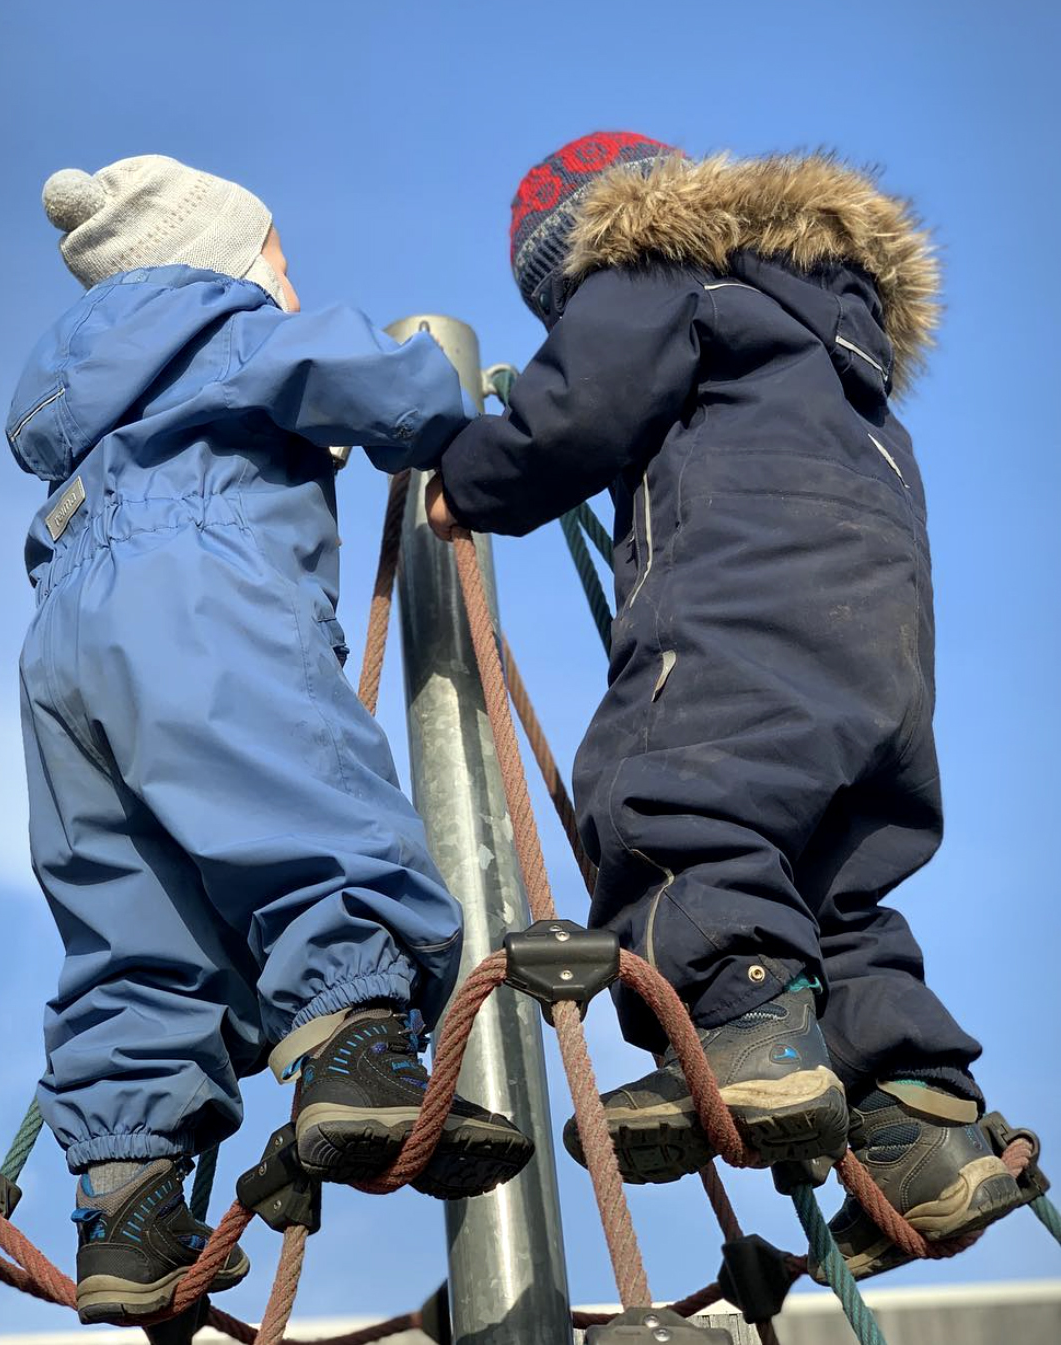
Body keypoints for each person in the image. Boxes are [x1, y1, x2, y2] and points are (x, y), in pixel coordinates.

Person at [426, 131, 1026, 1277]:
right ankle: (919, 1126)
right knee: (828, 876)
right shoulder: (822, 330)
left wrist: (469, 474)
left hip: (741, 600)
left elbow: (579, 407)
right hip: (880, 637)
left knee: (669, 790)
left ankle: (749, 1027)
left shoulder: (654, 268)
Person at [10, 155, 532, 1324]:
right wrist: (460, 412)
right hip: (204, 592)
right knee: (303, 805)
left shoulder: (90, 391)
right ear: (227, 257)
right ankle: (357, 1050)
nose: (286, 285)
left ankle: (127, 1202)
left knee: (128, 920)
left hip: (61, 652)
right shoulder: (225, 324)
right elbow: (379, 383)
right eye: (281, 264)